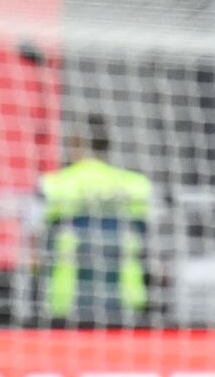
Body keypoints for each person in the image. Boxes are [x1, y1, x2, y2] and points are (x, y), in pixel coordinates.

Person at [36, 114, 152, 328]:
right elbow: (152, 246)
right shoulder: (137, 186)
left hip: (65, 304)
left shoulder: (55, 185)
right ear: (107, 146)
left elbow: (35, 249)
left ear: (75, 144)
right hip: (129, 304)